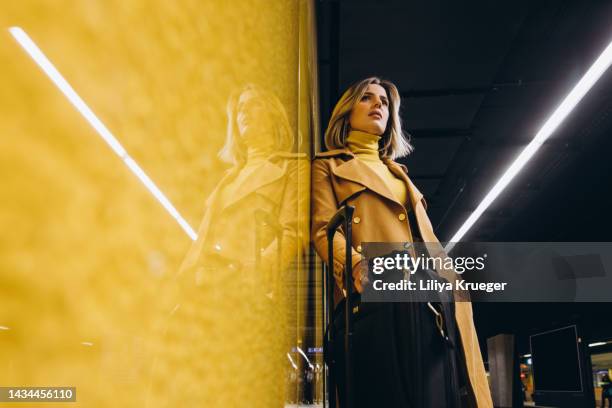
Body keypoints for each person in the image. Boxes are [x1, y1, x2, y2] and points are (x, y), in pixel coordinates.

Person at [311, 77, 493, 407]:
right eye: (366, 98)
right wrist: (355, 265)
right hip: (375, 303)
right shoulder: (328, 166)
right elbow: (324, 230)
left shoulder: (399, 174)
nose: (377, 104)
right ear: (346, 112)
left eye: (383, 100)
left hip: (427, 304)